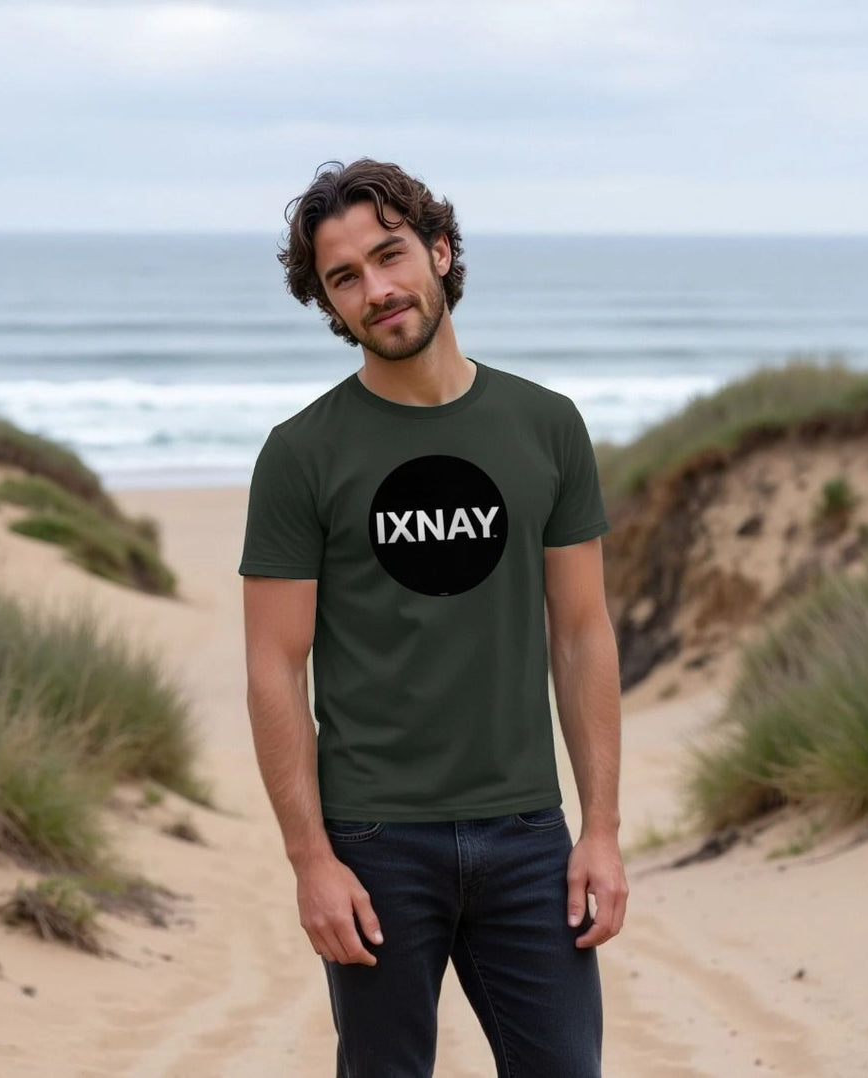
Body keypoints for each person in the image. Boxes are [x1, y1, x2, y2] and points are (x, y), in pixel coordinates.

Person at [239, 158, 628, 1078]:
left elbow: (581, 634)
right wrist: (310, 861)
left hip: (529, 834)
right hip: (374, 842)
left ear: (439, 252)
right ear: (328, 305)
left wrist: (600, 828)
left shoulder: (547, 426)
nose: (376, 290)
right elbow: (271, 667)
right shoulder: (302, 455)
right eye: (345, 278)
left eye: (390, 255)